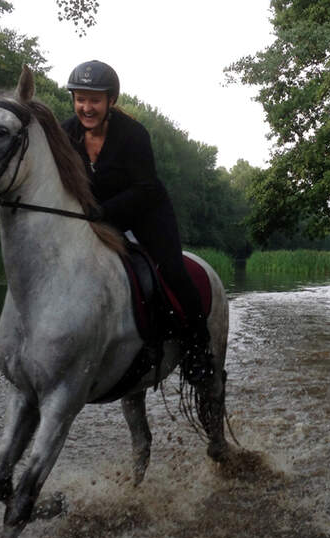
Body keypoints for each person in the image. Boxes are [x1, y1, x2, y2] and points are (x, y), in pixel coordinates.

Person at [60, 59, 213, 386]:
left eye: (95, 100)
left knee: (172, 269)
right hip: (95, 215)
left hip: (147, 211)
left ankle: (199, 349)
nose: (86, 107)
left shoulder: (133, 134)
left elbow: (144, 188)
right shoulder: (65, 133)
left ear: (111, 100)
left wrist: (101, 211)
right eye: (80, 99)